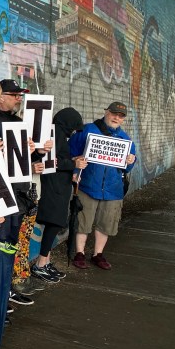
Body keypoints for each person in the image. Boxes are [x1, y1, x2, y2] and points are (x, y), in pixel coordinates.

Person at [0, 79, 51, 303]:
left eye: (20, 95)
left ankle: (8, 288)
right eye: (15, 95)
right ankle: (0, 293)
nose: (19, 99)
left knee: (12, 244)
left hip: (20, 193)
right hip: (0, 192)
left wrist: (39, 152)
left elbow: (23, 158)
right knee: (0, 244)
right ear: (1, 96)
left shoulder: (17, 121)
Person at [69, 101, 137, 270]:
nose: (116, 117)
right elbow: (70, 152)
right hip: (88, 185)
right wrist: (75, 163)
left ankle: (97, 254)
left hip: (112, 189)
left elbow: (126, 167)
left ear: (123, 119)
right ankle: (80, 253)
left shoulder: (126, 140)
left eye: (121, 116)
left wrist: (130, 161)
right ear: (106, 112)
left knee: (106, 223)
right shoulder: (87, 130)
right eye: (114, 113)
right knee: (83, 221)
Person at [30, 108, 88, 282]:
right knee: (53, 223)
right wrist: (73, 163)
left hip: (59, 186)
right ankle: (41, 264)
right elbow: (50, 162)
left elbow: (57, 160)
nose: (73, 132)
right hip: (53, 187)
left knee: (54, 224)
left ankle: (45, 262)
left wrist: (71, 167)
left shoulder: (58, 135)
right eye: (72, 127)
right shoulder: (53, 135)